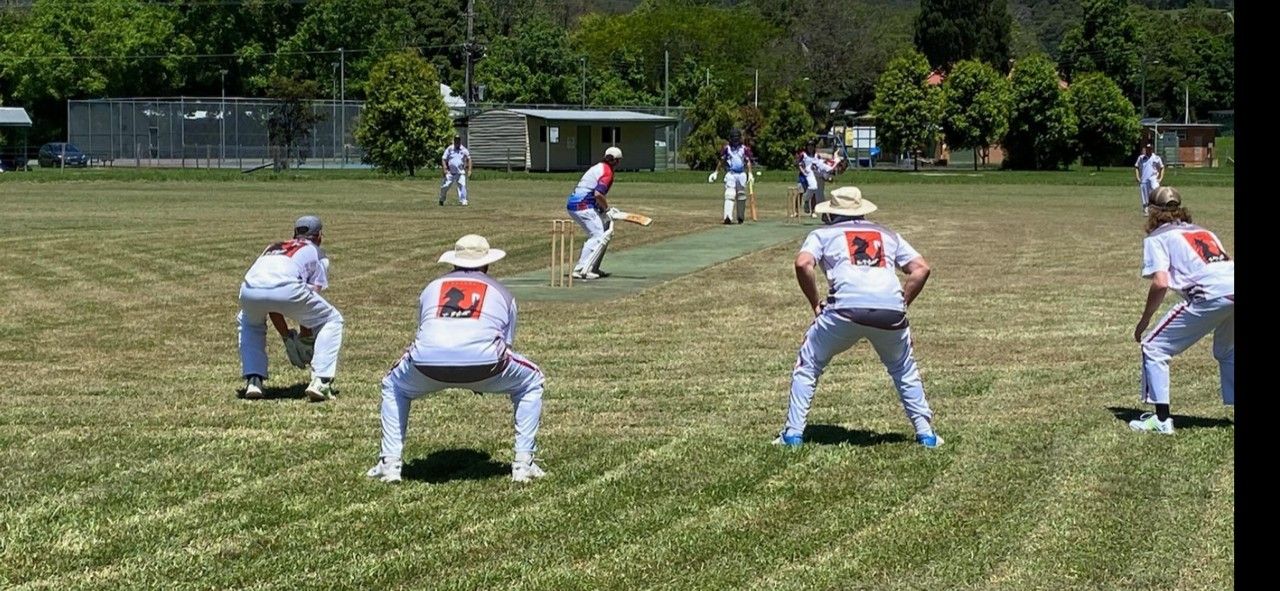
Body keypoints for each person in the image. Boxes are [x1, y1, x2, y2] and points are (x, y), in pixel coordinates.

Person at [365, 234, 547, 483]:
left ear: (453, 262)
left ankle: (390, 464)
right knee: (532, 380)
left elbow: (424, 329)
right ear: (487, 264)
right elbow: (506, 345)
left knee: (392, 384)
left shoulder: (431, 287)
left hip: (426, 363)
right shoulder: (502, 292)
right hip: (487, 365)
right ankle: (523, 464)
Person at [773, 187, 942, 448]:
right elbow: (921, 269)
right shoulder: (887, 234)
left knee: (809, 363)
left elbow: (802, 264)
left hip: (843, 309)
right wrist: (901, 304)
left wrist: (814, 304)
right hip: (891, 312)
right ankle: (926, 434)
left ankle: (793, 434)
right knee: (903, 368)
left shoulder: (822, 234)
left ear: (830, 214)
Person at [1129, 186, 1234, 434]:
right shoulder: (1204, 232)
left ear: (1152, 211)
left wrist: (1145, 320)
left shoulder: (1156, 238)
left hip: (1210, 295)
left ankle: (1162, 420)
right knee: (1228, 351)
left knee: (1154, 347)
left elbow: (1161, 282)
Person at [237, 215, 344, 402]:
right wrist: (305, 337)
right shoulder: (317, 253)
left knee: (249, 322)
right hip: (286, 287)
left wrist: (287, 336)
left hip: (249, 289)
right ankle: (321, 381)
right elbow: (309, 300)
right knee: (331, 319)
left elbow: (271, 302)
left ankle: (254, 380)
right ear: (319, 236)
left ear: (294, 234)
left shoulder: (272, 247)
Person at [565, 147, 623, 280]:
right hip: (582, 206)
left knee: (601, 233)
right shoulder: (607, 172)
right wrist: (607, 209)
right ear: (618, 161)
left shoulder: (599, 167)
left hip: (578, 204)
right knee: (597, 235)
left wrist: (602, 210)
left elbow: (594, 194)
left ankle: (592, 267)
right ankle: (581, 269)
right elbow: (598, 194)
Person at [708, 129, 755, 224]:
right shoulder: (727, 148)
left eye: (737, 139)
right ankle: (728, 217)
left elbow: (748, 161)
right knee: (729, 194)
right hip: (731, 173)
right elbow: (721, 161)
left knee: (741, 195)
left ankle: (740, 217)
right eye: (734, 139)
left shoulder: (744, 149)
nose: (735, 141)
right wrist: (716, 172)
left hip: (741, 174)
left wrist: (750, 173)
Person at [439, 135, 472, 206]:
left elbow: (469, 158)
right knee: (445, 186)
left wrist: (469, 170)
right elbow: (444, 159)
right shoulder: (450, 149)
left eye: (458, 140)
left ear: (460, 141)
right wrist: (444, 168)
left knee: (462, 185)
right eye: (456, 140)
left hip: (460, 172)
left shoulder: (464, 149)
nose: (457, 141)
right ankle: (442, 199)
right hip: (450, 172)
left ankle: (463, 200)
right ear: (454, 140)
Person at [1134, 142, 1165, 215]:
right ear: (1145, 149)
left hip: (1153, 178)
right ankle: (1146, 209)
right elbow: (1136, 167)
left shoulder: (1156, 158)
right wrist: (1137, 177)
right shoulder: (1141, 158)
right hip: (1144, 179)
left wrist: (1160, 178)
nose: (1149, 150)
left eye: (1150, 149)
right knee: (1144, 195)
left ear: (1152, 149)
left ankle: (1158, 208)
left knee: (1156, 191)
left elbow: (1162, 167)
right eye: (1147, 149)